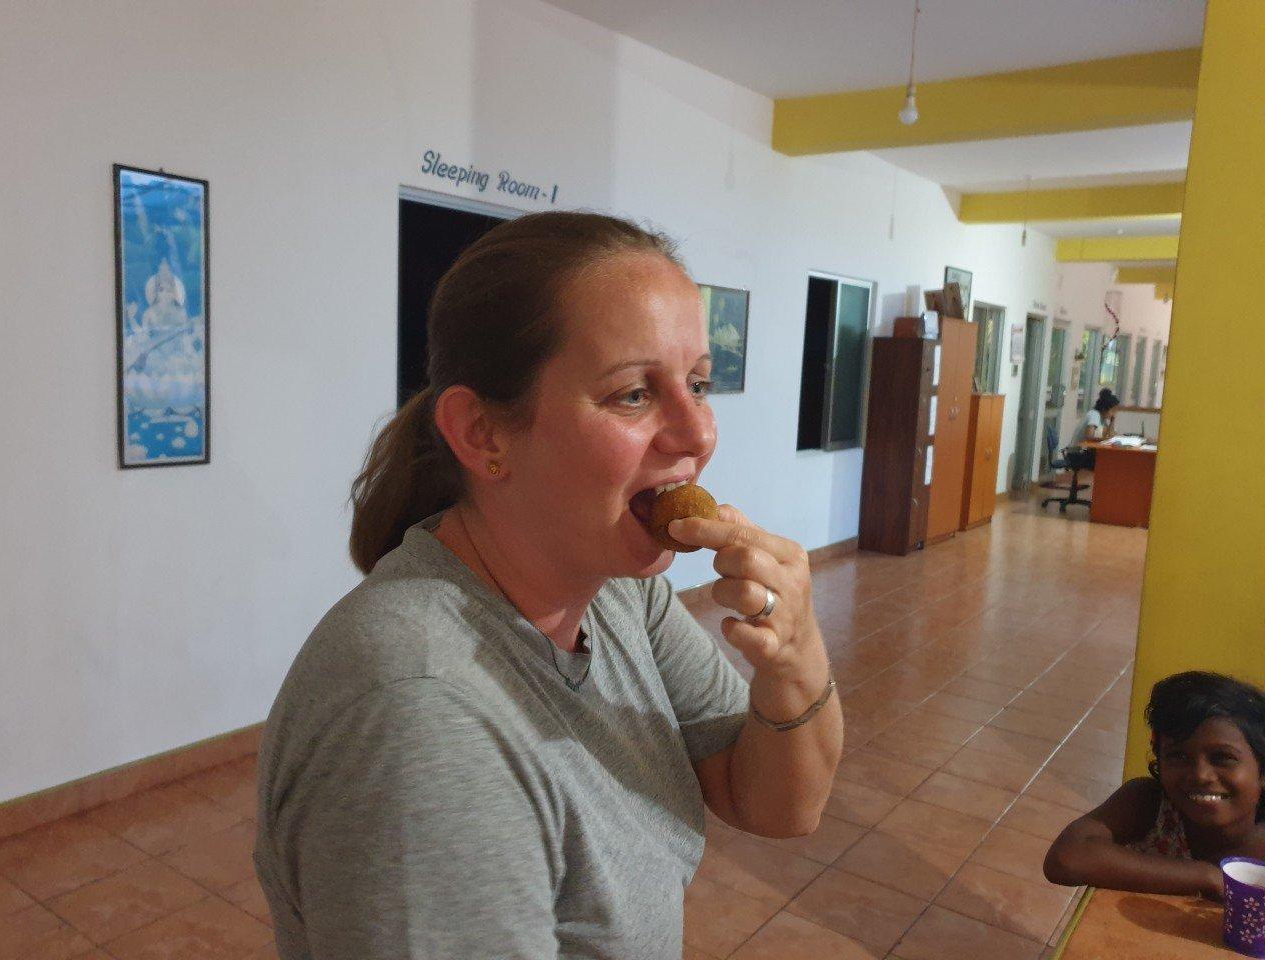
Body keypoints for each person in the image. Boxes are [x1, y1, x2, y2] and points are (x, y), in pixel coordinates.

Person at [253, 211, 844, 960]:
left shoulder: (624, 594)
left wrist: (796, 657)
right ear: (483, 434)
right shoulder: (426, 712)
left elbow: (776, 804)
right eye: (633, 394)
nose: (697, 434)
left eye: (698, 383)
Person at [1044, 671, 1265, 899]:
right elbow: (1067, 858)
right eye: (1178, 756)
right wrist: (1206, 877)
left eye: (1222, 757)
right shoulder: (1152, 806)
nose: (1200, 775)